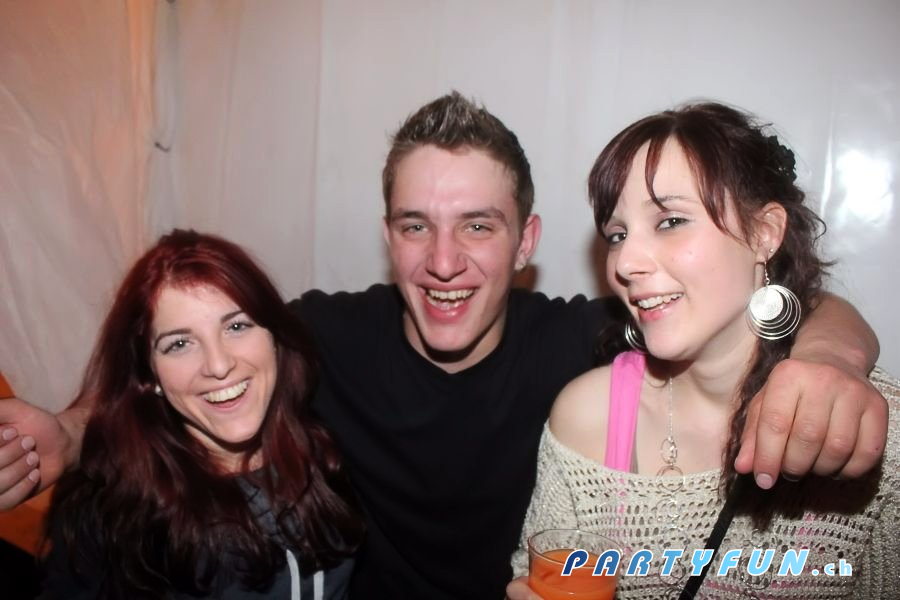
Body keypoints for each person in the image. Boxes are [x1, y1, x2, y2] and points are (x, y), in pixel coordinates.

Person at [0, 93, 889, 600]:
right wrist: (71, 431)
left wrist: (828, 361)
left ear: (528, 240)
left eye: (478, 225)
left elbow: (781, 307)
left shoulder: (583, 341)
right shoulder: (326, 336)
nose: (444, 261)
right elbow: (197, 356)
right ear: (388, 235)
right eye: (416, 225)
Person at [507, 102, 899, 598]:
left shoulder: (871, 427)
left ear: (764, 233)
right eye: (617, 235)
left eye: (671, 221)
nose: (625, 262)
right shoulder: (587, 418)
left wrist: (835, 355)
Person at [39, 230, 363, 598]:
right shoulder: (115, 510)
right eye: (180, 344)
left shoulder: (327, 447)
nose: (219, 365)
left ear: (274, 337)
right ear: (149, 374)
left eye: (236, 326)